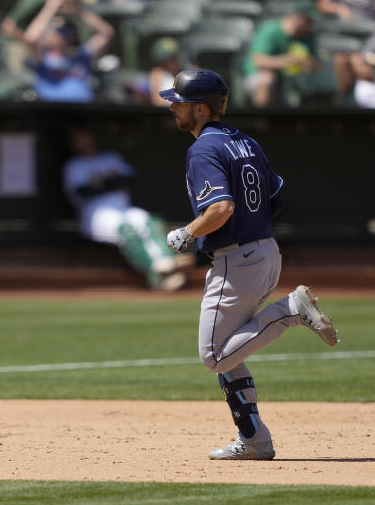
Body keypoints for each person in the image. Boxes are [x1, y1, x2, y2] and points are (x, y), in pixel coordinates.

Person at [161, 68, 338, 461]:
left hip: (237, 259)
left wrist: (188, 233)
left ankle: (291, 310)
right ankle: (254, 439)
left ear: (201, 108)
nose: (172, 107)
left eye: (179, 102)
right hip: (264, 251)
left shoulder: (203, 148)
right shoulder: (245, 142)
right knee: (231, 350)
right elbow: (276, 193)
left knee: (214, 356)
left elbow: (221, 207)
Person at [63, 126, 186, 291]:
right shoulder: (74, 166)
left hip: (124, 210)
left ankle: (166, 263)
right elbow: (84, 191)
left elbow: (127, 180)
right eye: (78, 141)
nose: (84, 143)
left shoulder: (111, 158)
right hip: (95, 215)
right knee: (126, 230)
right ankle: (157, 275)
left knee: (150, 221)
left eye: (86, 137)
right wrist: (111, 182)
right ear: (74, 145)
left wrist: (102, 184)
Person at [24, 0, 114, 102]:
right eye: (54, 33)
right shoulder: (42, 59)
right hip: (51, 112)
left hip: (83, 110)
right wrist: (51, 7)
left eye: (62, 33)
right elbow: (30, 38)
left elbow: (106, 32)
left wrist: (78, 10)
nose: (58, 37)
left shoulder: (81, 56)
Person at [242, 3, 319, 107]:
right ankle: (263, 121)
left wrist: (309, 64)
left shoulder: (308, 35)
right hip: (258, 76)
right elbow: (259, 61)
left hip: (295, 79)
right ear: (297, 17)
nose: (311, 25)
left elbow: (315, 63)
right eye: (308, 21)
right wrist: (289, 60)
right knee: (268, 78)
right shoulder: (270, 30)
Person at [149, 36, 185, 106]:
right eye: (169, 58)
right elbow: (156, 100)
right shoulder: (157, 73)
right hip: (167, 112)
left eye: (174, 56)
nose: (173, 60)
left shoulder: (191, 71)